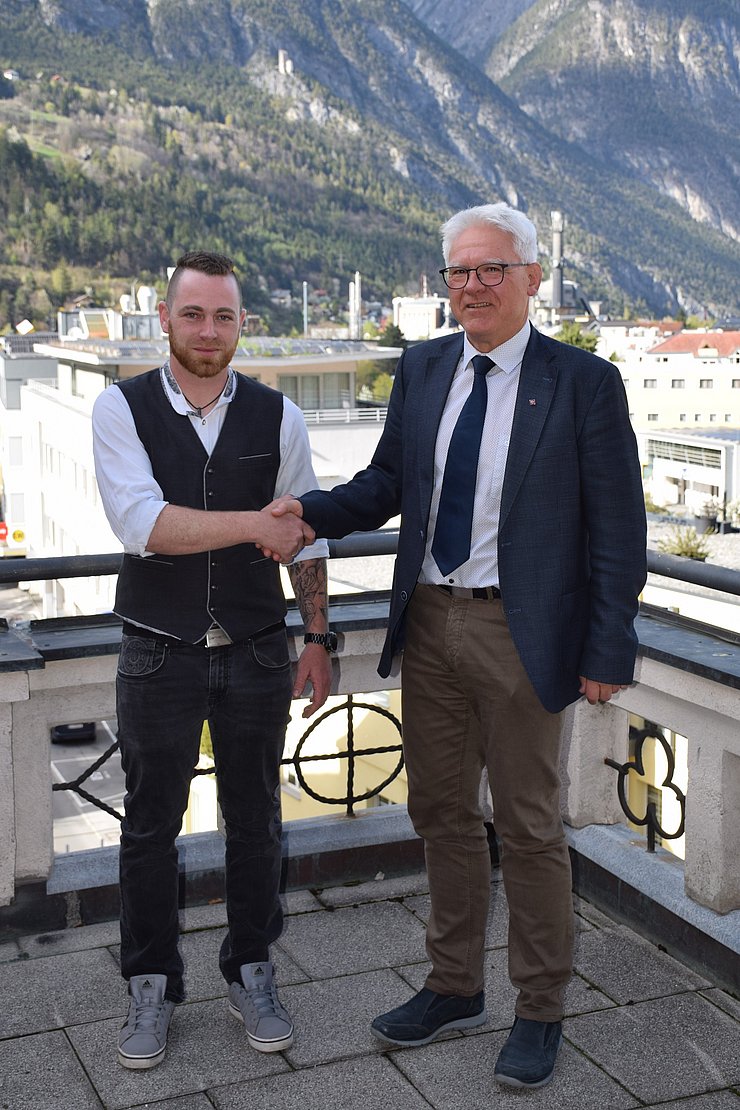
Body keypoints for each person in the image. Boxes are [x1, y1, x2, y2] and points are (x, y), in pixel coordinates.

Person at [266, 203, 647, 1089]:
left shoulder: (584, 383)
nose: (471, 286)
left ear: (531, 281)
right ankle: (453, 985)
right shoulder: (426, 365)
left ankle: (541, 1007)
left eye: (490, 270)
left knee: (528, 824)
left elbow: (618, 532)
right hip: (430, 621)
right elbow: (388, 485)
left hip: (525, 631)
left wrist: (606, 647)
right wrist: (307, 512)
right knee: (439, 812)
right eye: (458, 273)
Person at [92, 250, 334, 1070]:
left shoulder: (280, 415)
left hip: (262, 648)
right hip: (158, 653)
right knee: (150, 825)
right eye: (192, 314)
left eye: (223, 316)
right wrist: (253, 526)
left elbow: (307, 537)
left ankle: (253, 969)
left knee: (258, 820)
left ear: (241, 325)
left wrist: (320, 637)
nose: (207, 330)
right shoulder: (117, 408)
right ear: (165, 319)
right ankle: (151, 983)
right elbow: (144, 525)